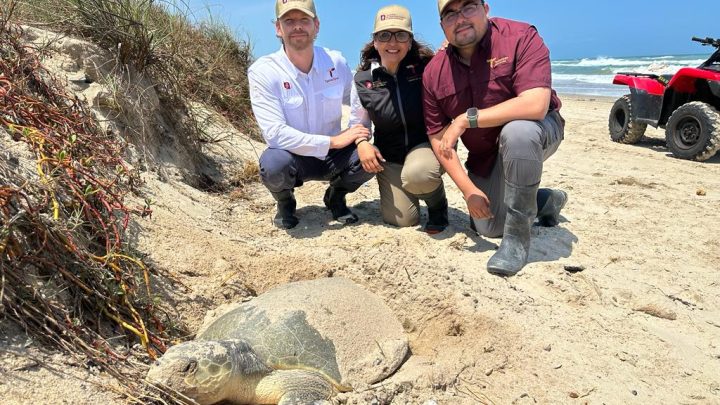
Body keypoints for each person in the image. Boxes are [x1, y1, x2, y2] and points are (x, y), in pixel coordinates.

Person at [422, 0, 568, 276]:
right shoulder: (434, 72)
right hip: (486, 156)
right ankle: (546, 200)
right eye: (450, 14)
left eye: (468, 7)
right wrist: (469, 191)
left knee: (517, 132)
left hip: (536, 133)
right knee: (487, 227)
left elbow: (535, 104)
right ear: (442, 26)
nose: (461, 18)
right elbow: (439, 140)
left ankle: (516, 241)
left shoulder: (520, 36)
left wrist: (467, 118)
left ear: (485, 9)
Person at [248, 0, 374, 229]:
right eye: (289, 21)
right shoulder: (263, 71)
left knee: (371, 157)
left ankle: (336, 196)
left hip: (335, 155)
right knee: (273, 164)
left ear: (316, 25)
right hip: (295, 155)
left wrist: (361, 138)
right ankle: (285, 202)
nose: (297, 26)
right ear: (278, 28)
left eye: (304, 20)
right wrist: (332, 141)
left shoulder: (335, 61)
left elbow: (360, 100)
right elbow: (274, 134)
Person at [349, 5, 448, 234]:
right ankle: (415, 188)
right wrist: (362, 143)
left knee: (419, 175)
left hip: (423, 147)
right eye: (384, 35)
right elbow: (358, 122)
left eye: (401, 35)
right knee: (403, 220)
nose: (392, 43)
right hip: (390, 157)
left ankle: (437, 206)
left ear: (410, 40)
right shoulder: (363, 80)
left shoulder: (426, 69)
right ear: (375, 41)